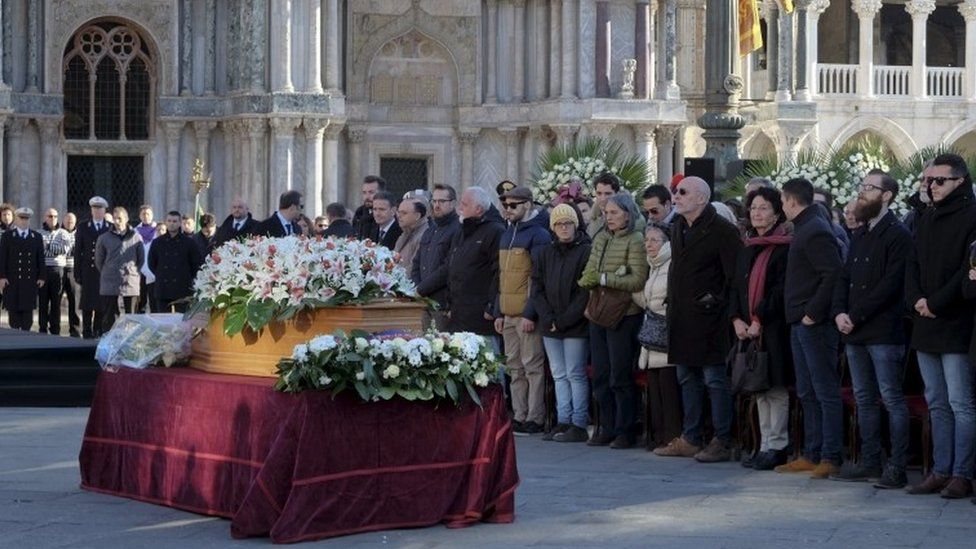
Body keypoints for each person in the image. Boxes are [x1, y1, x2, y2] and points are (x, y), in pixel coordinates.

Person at [829, 169, 912, 489]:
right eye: (861, 186)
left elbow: (891, 285)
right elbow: (844, 277)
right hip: (854, 329)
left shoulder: (898, 234)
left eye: (869, 188)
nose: (862, 193)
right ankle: (870, 461)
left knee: (891, 398)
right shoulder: (861, 233)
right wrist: (839, 312)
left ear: (887, 195)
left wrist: (855, 315)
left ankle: (897, 466)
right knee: (864, 398)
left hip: (882, 331)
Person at [654, 176, 741, 462]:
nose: (675, 197)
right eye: (675, 193)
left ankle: (721, 439)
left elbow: (734, 279)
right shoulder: (678, 227)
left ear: (701, 198)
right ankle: (691, 437)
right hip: (681, 317)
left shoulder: (723, 231)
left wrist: (718, 305)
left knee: (714, 380)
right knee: (686, 377)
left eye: (682, 192)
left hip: (709, 319)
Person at [905, 153, 976, 498]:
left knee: (961, 402)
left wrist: (935, 303)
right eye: (927, 181)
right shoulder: (927, 216)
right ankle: (940, 469)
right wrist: (918, 299)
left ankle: (962, 473)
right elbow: (913, 261)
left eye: (938, 181)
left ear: (959, 182)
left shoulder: (972, 216)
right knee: (936, 402)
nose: (930, 186)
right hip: (925, 320)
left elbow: (969, 271)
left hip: (955, 320)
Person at [775, 177, 844, 479]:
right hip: (800, 322)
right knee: (806, 391)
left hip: (814, 324)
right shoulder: (807, 225)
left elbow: (832, 274)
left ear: (791, 201)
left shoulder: (815, 229)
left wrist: (812, 314)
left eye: (781, 201)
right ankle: (812, 452)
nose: (781, 207)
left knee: (824, 391)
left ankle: (830, 455)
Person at [729, 187, 793, 470]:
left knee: (774, 388)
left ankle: (777, 445)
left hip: (773, 328)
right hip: (748, 329)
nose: (757, 212)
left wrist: (758, 319)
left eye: (764, 207)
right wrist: (737, 319)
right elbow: (735, 287)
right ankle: (763, 443)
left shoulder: (784, 247)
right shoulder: (747, 245)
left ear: (777, 213)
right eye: (754, 207)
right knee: (757, 387)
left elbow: (780, 290)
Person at [579, 193, 648, 448]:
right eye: (606, 213)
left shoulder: (636, 239)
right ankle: (605, 427)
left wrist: (605, 279)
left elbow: (637, 279)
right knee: (601, 374)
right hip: (598, 312)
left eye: (614, 213)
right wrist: (587, 281)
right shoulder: (602, 239)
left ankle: (625, 430)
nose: (609, 218)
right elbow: (590, 271)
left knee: (620, 376)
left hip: (623, 316)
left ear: (628, 215)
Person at [494, 186, 552, 436]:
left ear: (527, 204)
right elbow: (501, 276)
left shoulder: (538, 234)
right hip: (508, 313)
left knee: (532, 367)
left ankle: (535, 417)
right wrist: (499, 311)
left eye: (513, 205)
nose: (507, 210)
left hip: (526, 314)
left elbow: (538, 277)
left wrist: (530, 312)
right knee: (514, 368)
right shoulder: (507, 234)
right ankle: (518, 414)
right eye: (505, 205)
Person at [533, 203, 591, 443]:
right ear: (552, 227)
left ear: (575, 225)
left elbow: (584, 291)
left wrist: (564, 319)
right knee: (558, 374)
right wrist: (548, 317)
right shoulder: (545, 252)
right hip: (550, 324)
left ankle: (578, 422)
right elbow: (537, 287)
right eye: (558, 224)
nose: (564, 228)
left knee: (575, 373)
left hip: (574, 325)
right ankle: (563, 420)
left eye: (568, 223)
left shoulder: (585, 250)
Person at [632, 222, 682, 450]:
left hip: (667, 335)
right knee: (655, 390)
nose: (649, 245)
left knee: (669, 390)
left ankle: (672, 437)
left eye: (654, 240)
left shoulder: (672, 264)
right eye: (647, 240)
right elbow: (648, 299)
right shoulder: (653, 266)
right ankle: (658, 435)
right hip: (652, 338)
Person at [445, 186, 505, 335]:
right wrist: (450, 305)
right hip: (459, 311)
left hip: (480, 313)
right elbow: (453, 267)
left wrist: (492, 306)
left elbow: (499, 271)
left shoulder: (495, 231)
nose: (460, 208)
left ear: (478, 209)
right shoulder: (461, 230)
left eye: (464, 204)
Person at [413, 184, 462, 330]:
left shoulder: (458, 229)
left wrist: (422, 288)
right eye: (434, 201)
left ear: (453, 203)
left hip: (442, 303)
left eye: (441, 201)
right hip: (424, 301)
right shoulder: (431, 230)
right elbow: (416, 262)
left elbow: (448, 267)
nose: (436, 205)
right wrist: (416, 287)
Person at [95, 207, 144, 333]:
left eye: (120, 218)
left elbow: (141, 260)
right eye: (115, 218)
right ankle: (108, 341)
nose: (117, 221)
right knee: (109, 317)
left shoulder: (136, 238)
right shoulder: (104, 238)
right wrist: (109, 270)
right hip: (109, 282)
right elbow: (99, 261)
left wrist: (132, 272)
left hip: (130, 281)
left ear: (126, 219)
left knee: (131, 317)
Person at [148, 211, 204, 313]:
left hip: (182, 287)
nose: (171, 223)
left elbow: (196, 263)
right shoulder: (157, 242)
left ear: (179, 223)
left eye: (174, 221)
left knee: (182, 321)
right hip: (163, 287)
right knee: (163, 321)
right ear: (166, 222)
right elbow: (151, 263)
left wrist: (186, 277)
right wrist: (161, 274)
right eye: (169, 221)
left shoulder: (189, 242)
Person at [74, 196, 113, 338]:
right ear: (91, 210)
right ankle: (87, 330)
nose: (97, 211)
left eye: (100, 208)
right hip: (88, 271)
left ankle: (98, 330)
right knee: (87, 303)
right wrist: (77, 272)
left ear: (104, 210)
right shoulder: (83, 226)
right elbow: (78, 251)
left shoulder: (110, 227)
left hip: (104, 272)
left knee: (101, 303)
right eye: (94, 208)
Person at [0, 208, 45, 330]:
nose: (24, 221)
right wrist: (2, 277)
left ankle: (26, 341)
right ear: (16, 219)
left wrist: (41, 277)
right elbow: (2, 258)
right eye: (21, 218)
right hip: (12, 281)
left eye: (26, 218)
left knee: (27, 319)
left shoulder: (36, 237)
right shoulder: (8, 236)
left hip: (29, 281)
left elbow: (40, 258)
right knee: (13, 318)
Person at [38, 209, 70, 335]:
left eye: (55, 216)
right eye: (50, 216)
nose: (53, 218)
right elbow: (39, 252)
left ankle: (55, 330)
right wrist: (51, 249)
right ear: (45, 217)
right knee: (43, 301)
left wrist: (48, 247)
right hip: (43, 270)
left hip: (58, 271)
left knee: (56, 302)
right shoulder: (38, 233)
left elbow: (64, 249)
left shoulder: (63, 233)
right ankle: (42, 329)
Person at [394, 197, 429, 270]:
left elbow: (413, 268)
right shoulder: (406, 231)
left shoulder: (424, 235)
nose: (399, 216)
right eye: (398, 212)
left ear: (417, 216)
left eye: (404, 213)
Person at [62, 213, 80, 337]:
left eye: (72, 222)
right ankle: (54, 328)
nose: (69, 223)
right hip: (60, 269)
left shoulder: (79, 234)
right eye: (67, 221)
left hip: (73, 270)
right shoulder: (58, 233)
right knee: (55, 300)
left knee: (74, 300)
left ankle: (75, 329)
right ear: (63, 222)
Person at [140, 222, 164, 313]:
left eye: (163, 230)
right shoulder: (149, 245)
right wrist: (152, 275)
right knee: (153, 306)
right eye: (158, 230)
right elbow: (145, 262)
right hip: (152, 279)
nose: (161, 232)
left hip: (166, 281)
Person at [587, 172, 620, 238]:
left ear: (617, 194)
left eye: (608, 194)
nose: (603, 198)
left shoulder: (629, 219)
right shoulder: (592, 218)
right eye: (599, 193)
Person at [354, 175, 385, 239]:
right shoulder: (359, 212)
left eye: (371, 192)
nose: (367, 197)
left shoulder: (387, 214)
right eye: (364, 193)